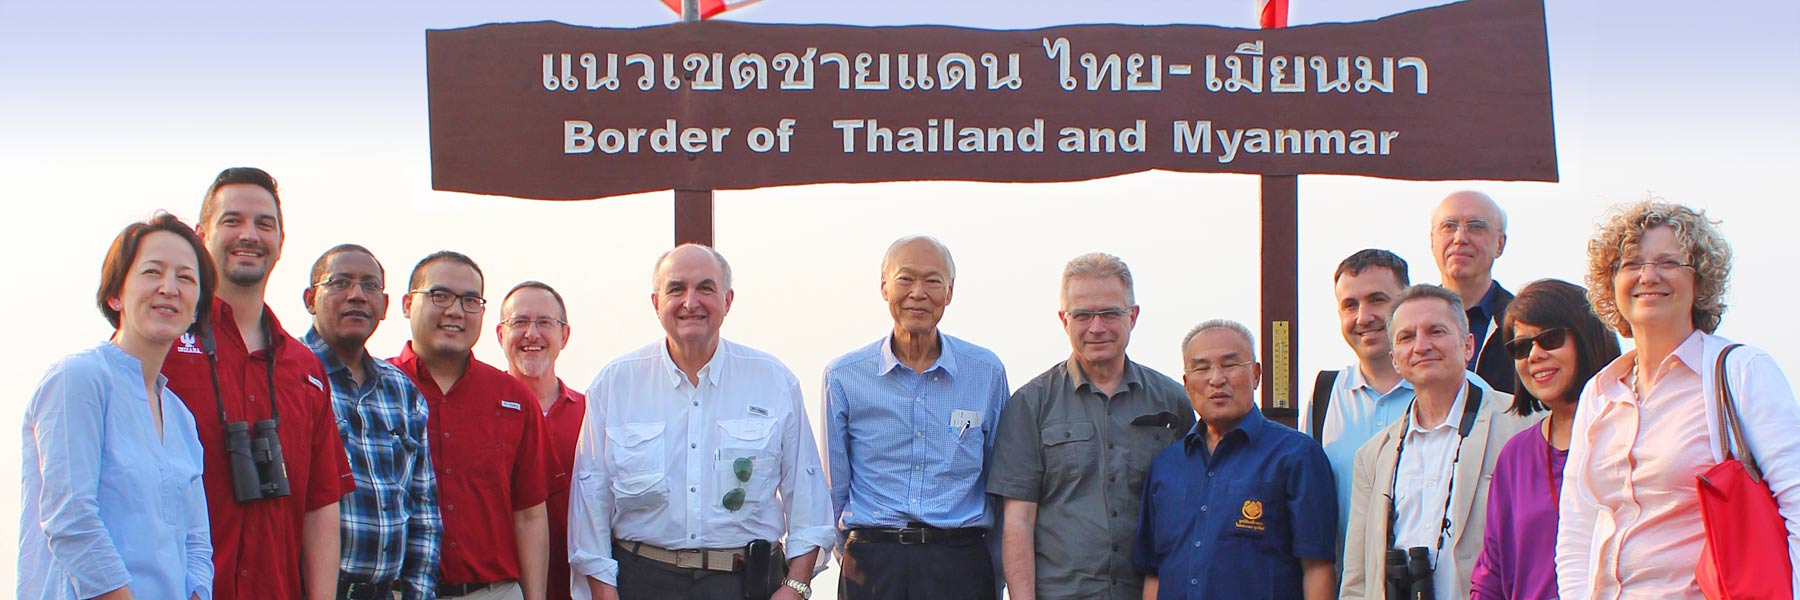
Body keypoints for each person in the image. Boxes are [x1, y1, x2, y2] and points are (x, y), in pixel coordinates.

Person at [1557, 200, 1800, 598]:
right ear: (1611, 281)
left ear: (1700, 281)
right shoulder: (1599, 392)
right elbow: (1577, 528)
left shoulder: (1741, 372)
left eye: (1668, 262)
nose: (1648, 275)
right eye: (1631, 264)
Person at [569, 244, 834, 600]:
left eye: (705, 288)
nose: (690, 302)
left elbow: (808, 499)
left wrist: (796, 587)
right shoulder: (615, 384)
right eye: (676, 289)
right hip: (641, 582)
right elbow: (590, 503)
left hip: (746, 585)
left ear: (728, 300)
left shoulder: (773, 381)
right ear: (655, 302)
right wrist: (604, 594)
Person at [161, 167, 354, 600]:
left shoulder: (305, 368)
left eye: (264, 224)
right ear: (201, 233)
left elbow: (321, 505)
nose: (249, 234)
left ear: (281, 243)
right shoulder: (163, 344)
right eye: (232, 221)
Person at [20, 213, 216, 600]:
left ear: (196, 310)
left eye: (186, 278)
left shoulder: (180, 417)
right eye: (152, 272)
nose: (169, 288)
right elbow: (71, 520)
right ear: (115, 294)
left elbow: (197, 543)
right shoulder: (78, 379)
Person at [987, 252, 1194, 600]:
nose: (1096, 327)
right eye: (1082, 315)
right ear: (1063, 320)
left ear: (1133, 316)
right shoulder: (1031, 404)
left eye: (1110, 313)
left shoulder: (1172, 403)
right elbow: (1018, 522)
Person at [821, 236, 1010, 600]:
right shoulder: (844, 376)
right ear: (884, 287)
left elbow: (999, 483)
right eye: (905, 279)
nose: (918, 293)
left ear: (950, 292)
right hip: (874, 564)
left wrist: (991, 573)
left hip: (960, 563)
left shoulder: (985, 372)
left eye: (933, 281)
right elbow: (834, 491)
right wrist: (860, 555)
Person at [1339, 285, 1533, 600]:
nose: (1421, 346)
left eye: (1436, 331)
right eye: (1406, 337)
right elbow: (1357, 582)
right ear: (1395, 359)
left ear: (1468, 345)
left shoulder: (1522, 426)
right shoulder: (1373, 455)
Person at [390, 251, 557, 600]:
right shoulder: (378, 388)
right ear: (407, 304)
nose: (454, 310)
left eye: (470, 300)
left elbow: (529, 515)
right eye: (440, 295)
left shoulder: (513, 400)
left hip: (491, 591)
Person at [1134, 320, 1336, 600]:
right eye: (1202, 368)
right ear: (1186, 384)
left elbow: (1317, 567)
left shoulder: (1297, 456)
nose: (1216, 378)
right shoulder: (1165, 467)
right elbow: (1155, 572)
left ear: (1255, 374)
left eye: (1229, 365)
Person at [301, 244, 443, 600]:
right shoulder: (291, 376)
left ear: (383, 304)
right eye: (340, 283)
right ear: (309, 299)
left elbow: (423, 511)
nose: (356, 295)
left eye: (369, 286)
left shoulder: (401, 390)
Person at [1469, 279, 1619, 600]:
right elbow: (1491, 575)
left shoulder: (1633, 434)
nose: (1534, 355)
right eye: (1521, 347)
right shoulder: (1516, 456)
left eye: (1550, 339)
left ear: (1587, 337)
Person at [1300, 249, 1415, 555]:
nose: (1363, 317)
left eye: (1378, 300)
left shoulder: (1455, 391)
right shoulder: (1324, 394)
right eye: (1350, 305)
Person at [496, 281, 584, 600]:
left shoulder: (592, 416)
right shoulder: (480, 410)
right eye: (519, 322)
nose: (531, 334)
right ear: (500, 334)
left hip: (578, 588)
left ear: (565, 335)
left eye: (545, 323)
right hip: (497, 589)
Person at [1429, 191, 1515, 393]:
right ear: (1432, 241)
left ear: (1500, 244)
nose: (1460, 238)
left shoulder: (1523, 325)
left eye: (1476, 227)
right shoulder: (1408, 325)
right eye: (1449, 227)